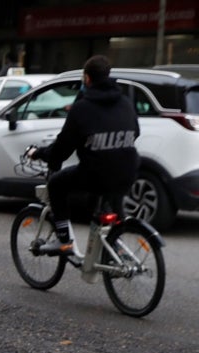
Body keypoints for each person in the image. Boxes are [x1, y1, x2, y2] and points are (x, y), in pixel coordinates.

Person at [28, 55, 139, 257]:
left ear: (87, 79)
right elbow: (136, 132)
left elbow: (62, 149)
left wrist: (40, 154)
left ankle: (64, 242)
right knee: (109, 202)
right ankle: (116, 245)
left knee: (56, 184)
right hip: (128, 171)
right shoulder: (125, 102)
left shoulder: (82, 107)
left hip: (96, 174)